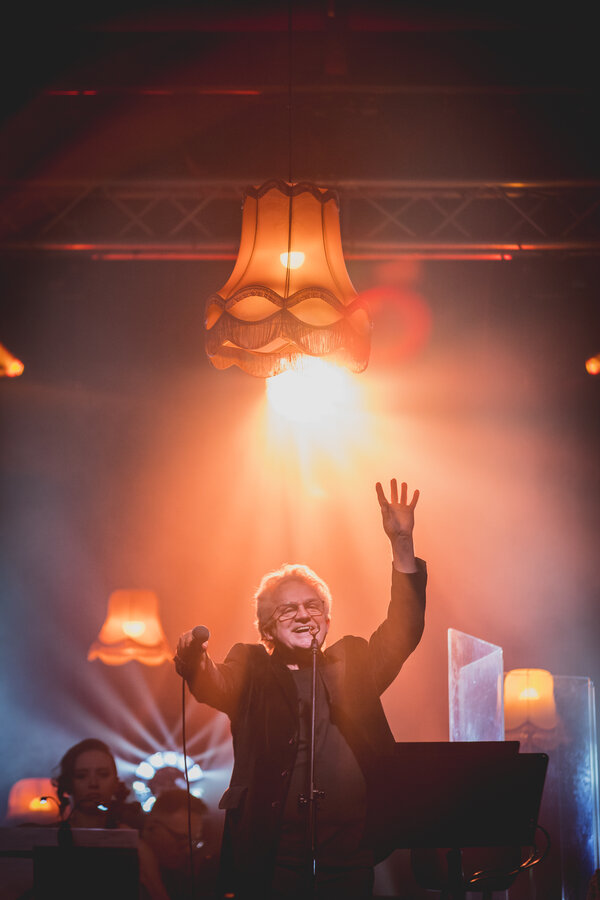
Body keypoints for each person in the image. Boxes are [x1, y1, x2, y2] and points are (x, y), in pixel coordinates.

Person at [175, 479, 427, 900]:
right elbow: (215, 682)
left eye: (313, 606)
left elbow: (404, 628)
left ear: (327, 620)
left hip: (349, 860)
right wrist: (193, 659)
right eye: (287, 609)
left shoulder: (355, 662)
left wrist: (402, 543)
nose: (304, 615)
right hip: (273, 863)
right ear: (267, 628)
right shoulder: (252, 666)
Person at [139, 790, 218, 900]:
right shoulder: (124, 869)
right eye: (181, 838)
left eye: (193, 842)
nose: (188, 851)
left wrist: (153, 883)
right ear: (151, 827)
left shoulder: (182, 879)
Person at [53, 738, 138, 828]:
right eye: (81, 776)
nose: (93, 783)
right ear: (68, 782)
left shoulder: (132, 834)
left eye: (103, 774)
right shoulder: (49, 835)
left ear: (115, 782)